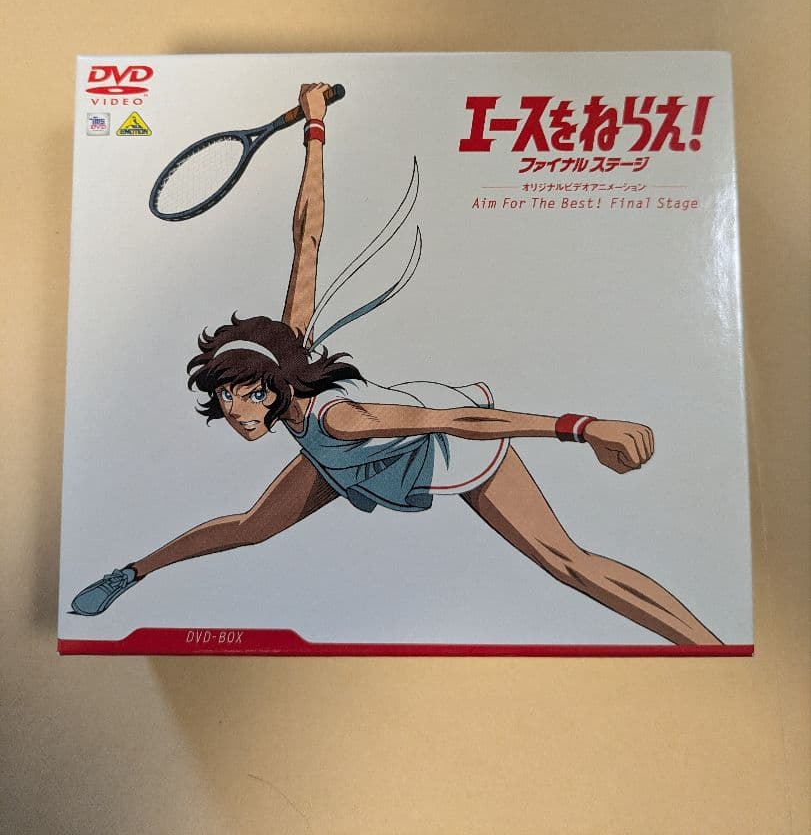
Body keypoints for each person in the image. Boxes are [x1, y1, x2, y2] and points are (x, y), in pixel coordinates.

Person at [72, 84, 721, 646]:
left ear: (275, 384)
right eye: (227, 398)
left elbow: (461, 420)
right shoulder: (288, 349)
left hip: (443, 448)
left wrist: (583, 427)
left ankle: (706, 646)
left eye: (248, 394)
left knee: (566, 562)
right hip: (345, 459)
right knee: (252, 526)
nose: (237, 411)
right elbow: (307, 236)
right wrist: (316, 129)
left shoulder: (345, 418)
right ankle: (131, 573)